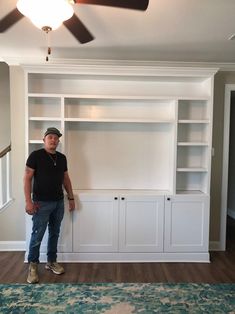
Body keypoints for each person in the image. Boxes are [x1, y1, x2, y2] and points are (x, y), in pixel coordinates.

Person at [24, 127, 75, 284]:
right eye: (50, 137)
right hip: (41, 203)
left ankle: (51, 261)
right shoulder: (35, 156)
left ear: (58, 141)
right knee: (37, 235)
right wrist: (28, 201)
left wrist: (71, 198)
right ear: (44, 140)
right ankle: (33, 266)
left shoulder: (62, 158)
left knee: (54, 233)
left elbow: (66, 179)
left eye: (56, 138)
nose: (53, 140)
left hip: (58, 202)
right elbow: (26, 178)